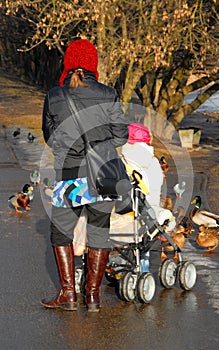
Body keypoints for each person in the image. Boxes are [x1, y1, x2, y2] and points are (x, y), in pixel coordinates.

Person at [41, 39, 128, 312]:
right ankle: (92, 296)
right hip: (103, 175)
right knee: (99, 232)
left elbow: (49, 135)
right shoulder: (108, 93)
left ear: (68, 63)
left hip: (69, 174)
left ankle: (67, 293)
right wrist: (99, 144)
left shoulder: (55, 95)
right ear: (93, 64)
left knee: (61, 232)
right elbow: (121, 135)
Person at [120, 123, 176, 271]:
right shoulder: (151, 162)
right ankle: (142, 270)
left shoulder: (120, 160)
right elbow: (155, 190)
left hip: (121, 212)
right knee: (145, 237)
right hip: (144, 212)